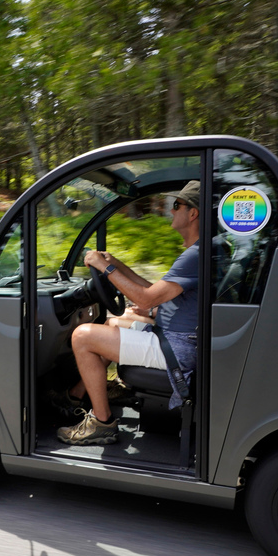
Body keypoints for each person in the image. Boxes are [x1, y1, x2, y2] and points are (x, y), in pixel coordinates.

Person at [56, 180, 201, 445]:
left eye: (176, 205)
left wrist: (105, 269)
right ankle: (78, 394)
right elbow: (150, 291)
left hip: (177, 349)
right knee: (115, 321)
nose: (171, 210)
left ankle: (102, 423)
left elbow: (144, 297)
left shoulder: (197, 255)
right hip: (177, 336)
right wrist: (115, 263)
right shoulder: (198, 252)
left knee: (83, 336)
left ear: (193, 213)